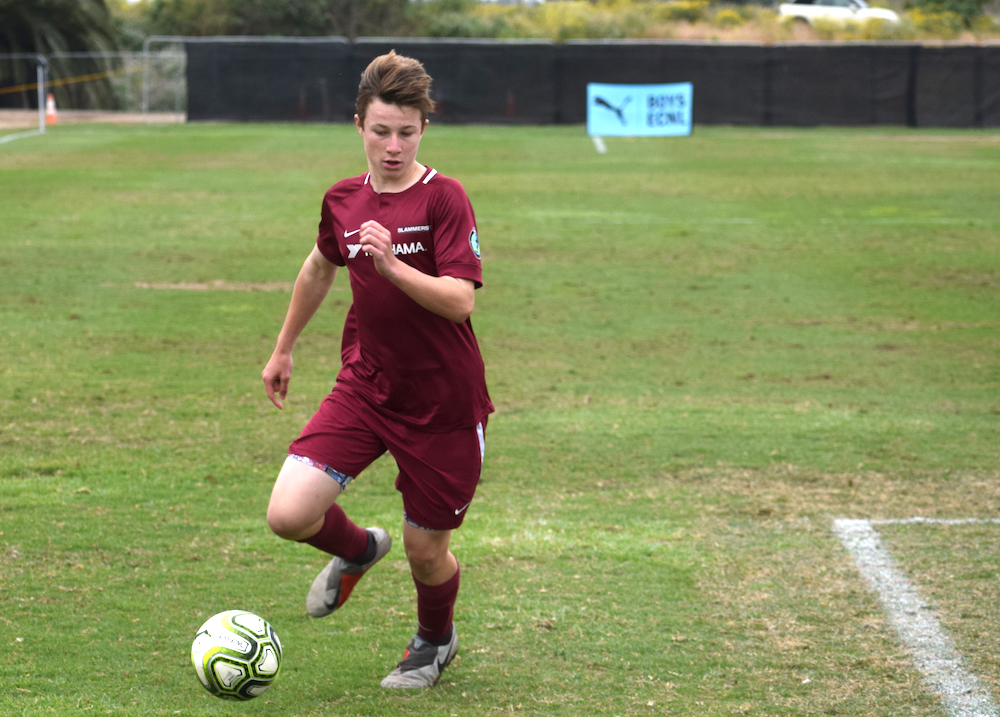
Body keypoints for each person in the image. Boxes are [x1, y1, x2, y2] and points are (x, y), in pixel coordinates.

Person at [261, 50, 493, 690]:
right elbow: (318, 266)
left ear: (425, 128)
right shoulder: (343, 199)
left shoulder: (444, 198)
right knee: (288, 515)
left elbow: (460, 300)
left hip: (443, 405)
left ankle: (433, 642)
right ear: (358, 125)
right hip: (365, 387)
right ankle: (359, 548)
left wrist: (392, 266)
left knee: (428, 553)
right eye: (381, 130)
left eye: (408, 132)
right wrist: (283, 349)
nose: (393, 146)